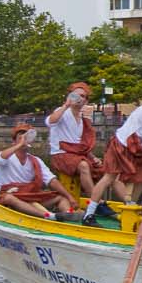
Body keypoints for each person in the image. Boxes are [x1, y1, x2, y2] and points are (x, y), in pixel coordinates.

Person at [45, 82, 114, 224]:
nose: (79, 98)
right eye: (75, 95)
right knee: (83, 165)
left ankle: (128, 202)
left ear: (86, 101)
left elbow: (81, 146)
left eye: (82, 96)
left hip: (77, 155)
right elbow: (50, 122)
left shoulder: (83, 120)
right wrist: (66, 105)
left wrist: (94, 157)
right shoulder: (63, 111)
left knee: (109, 170)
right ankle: (97, 203)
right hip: (61, 154)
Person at [0, 123, 79, 219]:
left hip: (28, 196)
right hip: (7, 198)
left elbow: (51, 180)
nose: (24, 139)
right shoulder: (6, 157)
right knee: (9, 198)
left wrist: (69, 196)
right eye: (20, 137)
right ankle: (49, 216)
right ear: (14, 141)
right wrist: (19, 145)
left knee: (61, 197)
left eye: (26, 136)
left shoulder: (35, 160)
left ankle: (68, 216)